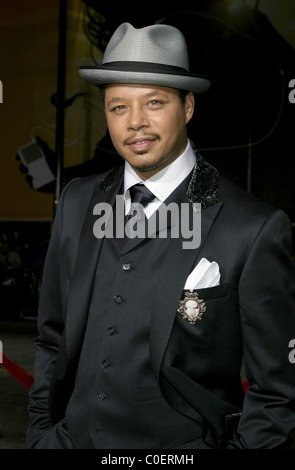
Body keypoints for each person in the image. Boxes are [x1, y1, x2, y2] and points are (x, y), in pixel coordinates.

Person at [27, 22, 295, 449]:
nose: (136, 123)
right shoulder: (77, 202)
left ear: (187, 107)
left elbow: (278, 393)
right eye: (118, 107)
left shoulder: (254, 226)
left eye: (154, 102)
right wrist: (41, 435)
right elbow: (52, 336)